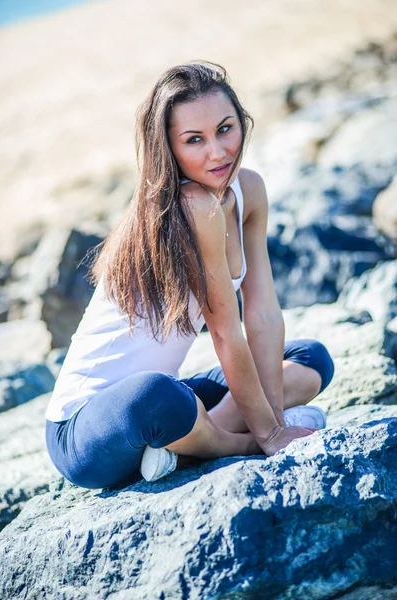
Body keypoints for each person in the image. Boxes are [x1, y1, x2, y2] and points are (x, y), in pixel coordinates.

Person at [45, 61, 334, 488]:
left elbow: (263, 314)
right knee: (159, 396)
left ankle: (179, 445)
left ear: (243, 123)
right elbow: (224, 332)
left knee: (310, 361)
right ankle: (229, 445)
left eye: (225, 129)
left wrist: (273, 419)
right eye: (194, 140)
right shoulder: (190, 206)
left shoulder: (248, 190)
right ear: (169, 149)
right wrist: (269, 437)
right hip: (90, 429)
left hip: (171, 406)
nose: (217, 152)